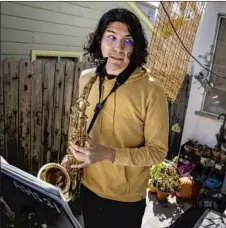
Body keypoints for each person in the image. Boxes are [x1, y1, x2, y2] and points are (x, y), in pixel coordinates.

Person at [62, 8, 169, 228]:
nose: (118, 48)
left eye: (127, 41)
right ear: (99, 41)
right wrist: (73, 158)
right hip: (88, 187)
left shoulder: (152, 90)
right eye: (111, 37)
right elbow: (84, 127)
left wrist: (109, 154)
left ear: (135, 47)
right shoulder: (86, 79)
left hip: (125, 199)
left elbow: (157, 152)